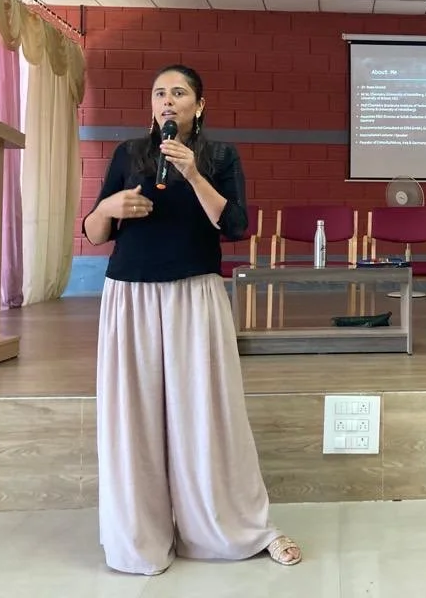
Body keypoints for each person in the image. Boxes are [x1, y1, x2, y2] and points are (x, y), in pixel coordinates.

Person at [82, 64, 301, 576]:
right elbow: (94, 232)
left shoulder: (219, 156)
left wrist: (194, 174)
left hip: (194, 295)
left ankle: (229, 529)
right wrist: (110, 205)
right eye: (159, 93)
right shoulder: (128, 154)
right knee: (133, 418)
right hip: (130, 297)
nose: (167, 101)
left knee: (204, 413)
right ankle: (141, 538)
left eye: (178, 93)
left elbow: (236, 226)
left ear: (199, 106)